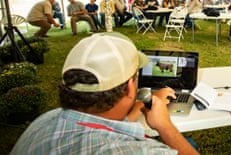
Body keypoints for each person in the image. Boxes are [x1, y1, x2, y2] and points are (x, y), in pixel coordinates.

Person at [11, 32, 199, 155]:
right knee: (189, 144)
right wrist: (165, 127)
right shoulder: (138, 151)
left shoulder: (44, 121)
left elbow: (109, 123)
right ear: (129, 87)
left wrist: (147, 101)